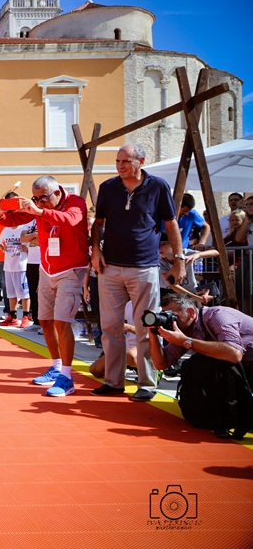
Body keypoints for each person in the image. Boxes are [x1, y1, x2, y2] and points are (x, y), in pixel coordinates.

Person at [90, 144, 185, 402]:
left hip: (144, 267)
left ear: (141, 160)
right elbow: (98, 224)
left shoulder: (158, 186)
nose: (120, 166)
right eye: (117, 161)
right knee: (110, 327)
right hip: (110, 268)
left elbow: (170, 223)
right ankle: (113, 381)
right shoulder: (108, 188)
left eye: (125, 161)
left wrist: (179, 260)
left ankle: (147, 383)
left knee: (146, 327)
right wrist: (95, 252)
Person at [0, 176, 90, 396]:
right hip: (47, 269)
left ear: (57, 193)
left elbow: (69, 220)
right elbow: (12, 220)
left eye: (43, 198)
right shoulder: (40, 207)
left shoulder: (76, 202)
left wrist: (39, 212)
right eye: (35, 198)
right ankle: (56, 366)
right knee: (45, 320)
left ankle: (67, 376)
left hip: (71, 270)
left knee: (62, 321)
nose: (39, 203)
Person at [148, 293, 253, 424]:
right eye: (166, 316)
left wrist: (186, 341)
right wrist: (153, 334)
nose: (170, 321)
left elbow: (234, 354)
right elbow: (161, 364)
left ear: (191, 312)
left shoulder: (217, 316)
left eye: (173, 316)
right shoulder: (186, 329)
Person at [0, 221, 31, 328]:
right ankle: (13, 316)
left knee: (24, 292)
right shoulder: (6, 230)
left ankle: (26, 316)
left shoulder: (24, 228)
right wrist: (2, 248)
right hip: (8, 265)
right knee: (11, 293)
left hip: (21, 265)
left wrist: (27, 249)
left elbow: (34, 244)